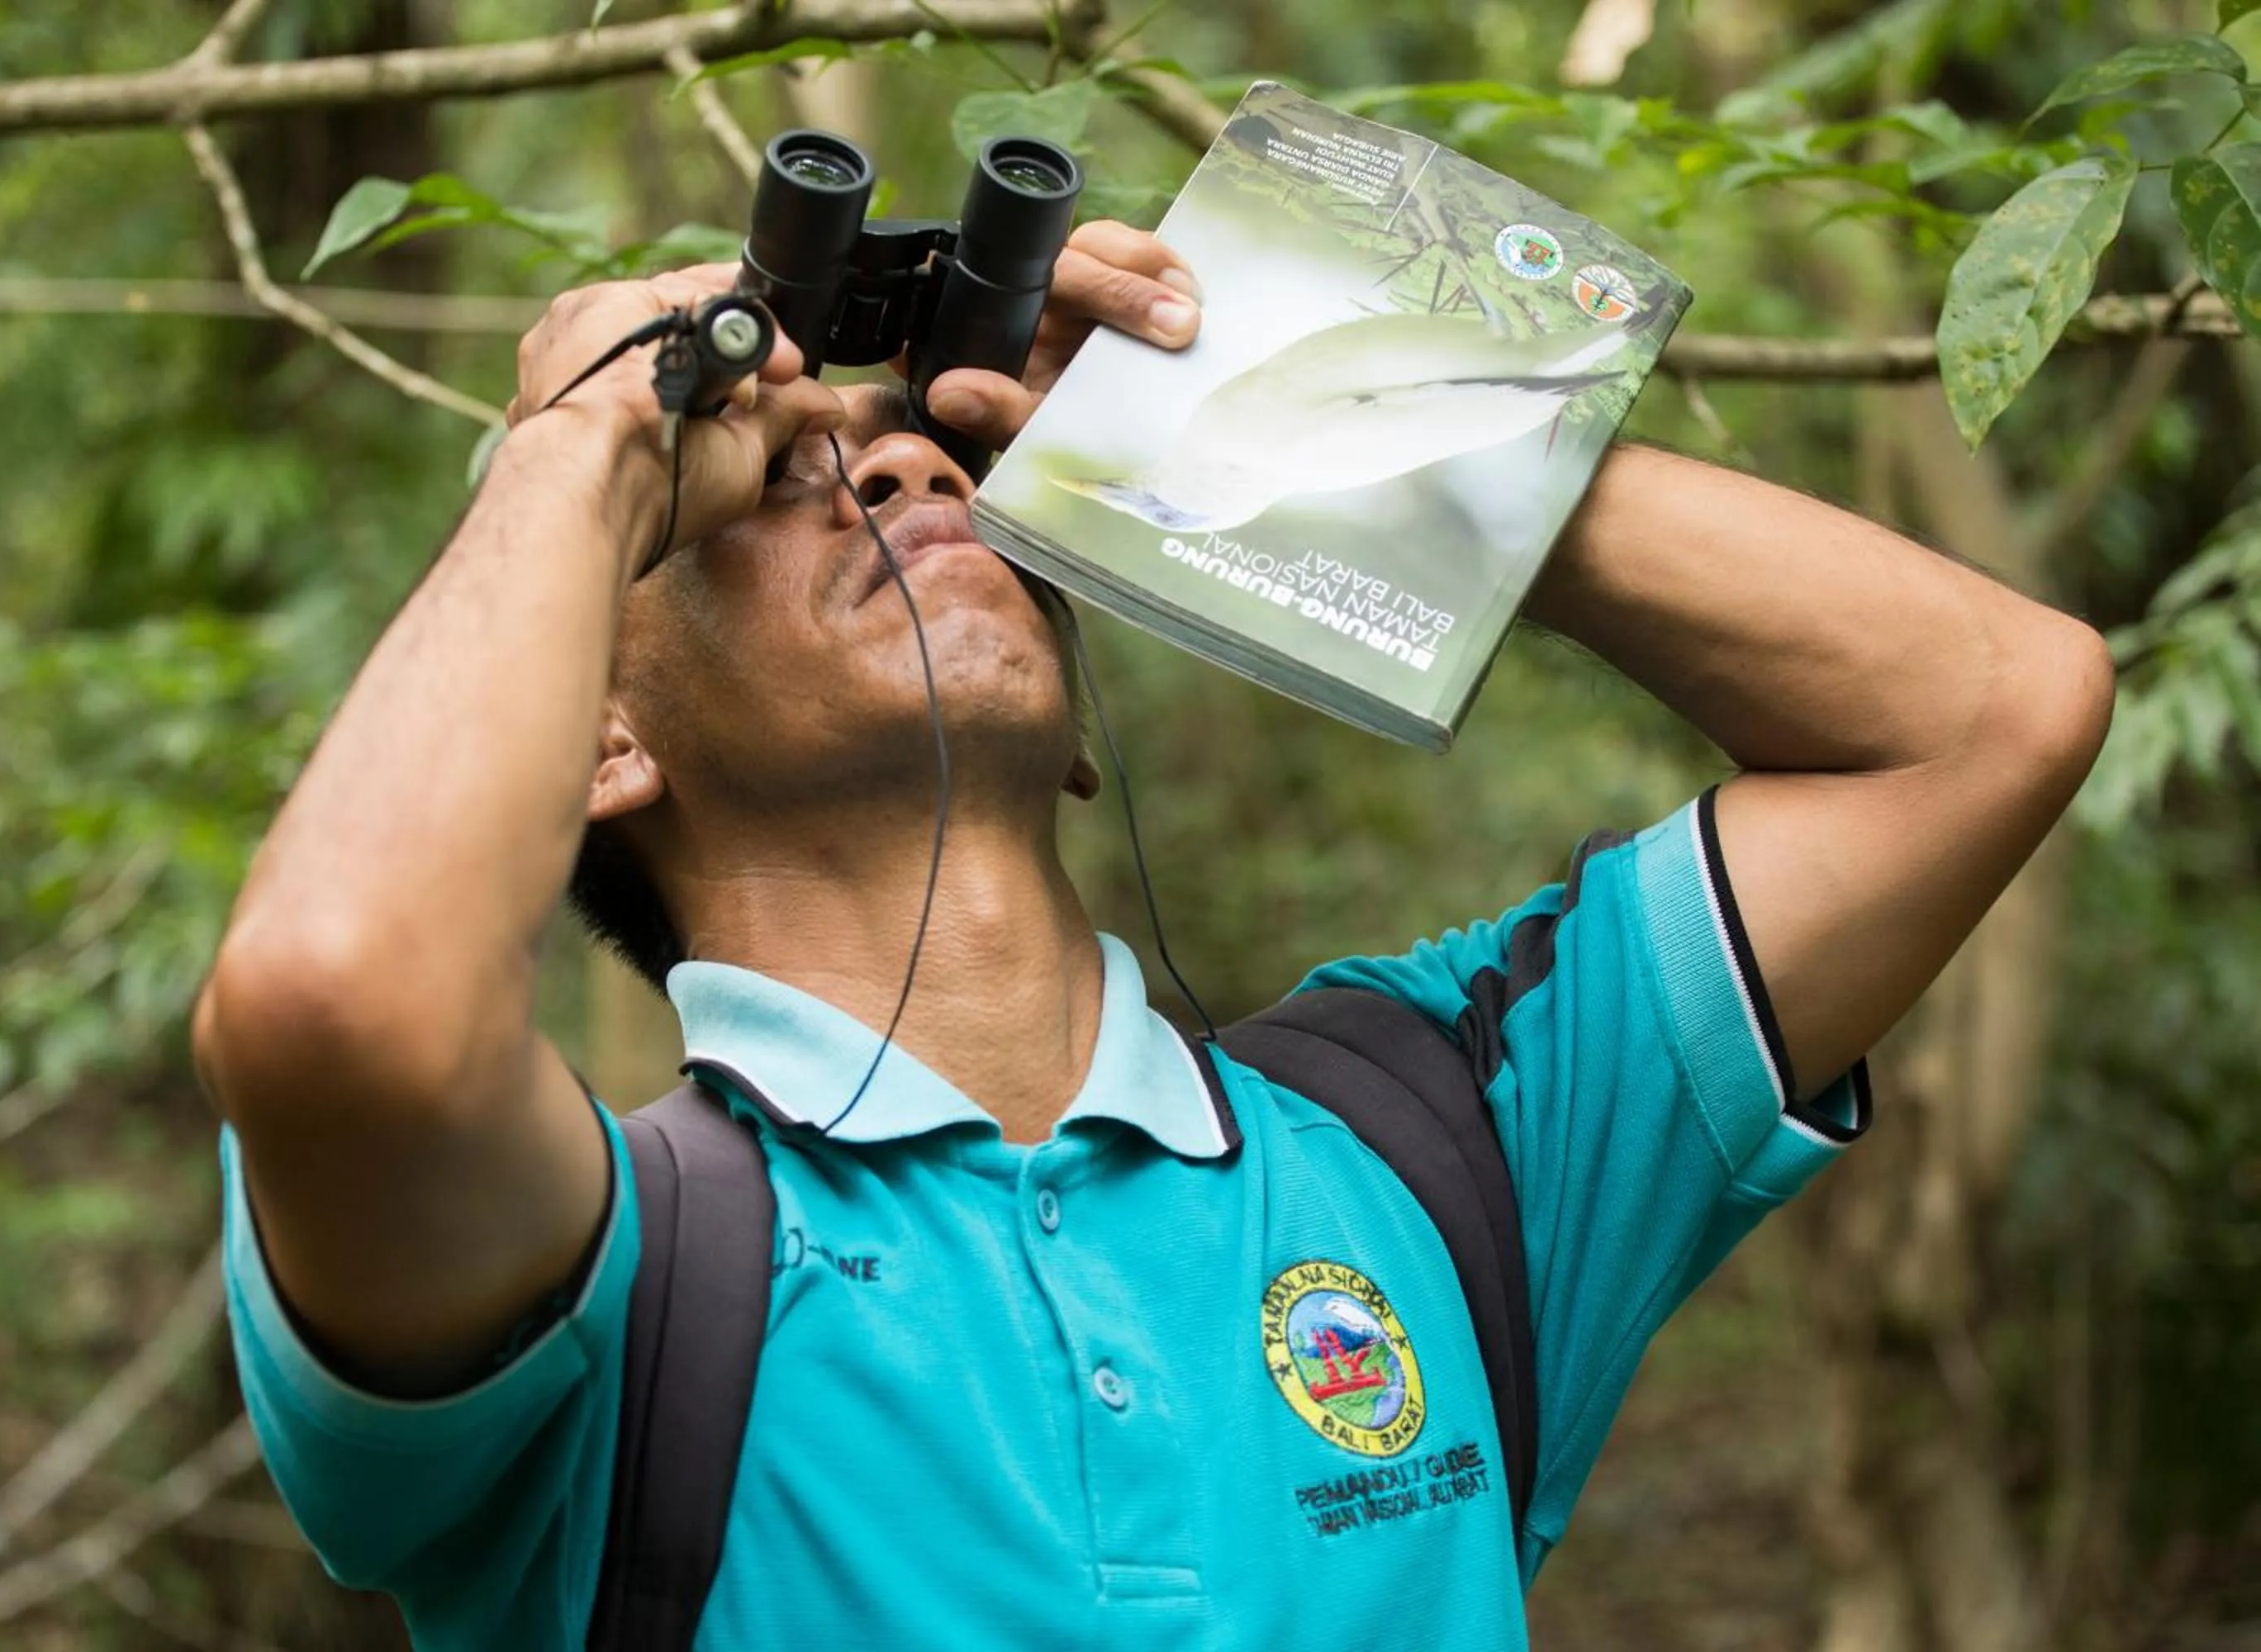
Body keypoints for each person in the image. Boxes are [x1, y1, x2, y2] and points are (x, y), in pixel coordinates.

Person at [192, 220, 2115, 1650]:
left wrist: (1278, 417)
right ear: (597, 737)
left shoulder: (1439, 1144)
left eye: (960, 467)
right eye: (775, 483)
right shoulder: (614, 1279)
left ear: (1084, 735)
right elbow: (333, 997)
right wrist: (586, 442)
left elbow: (1989, 709)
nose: (912, 469)